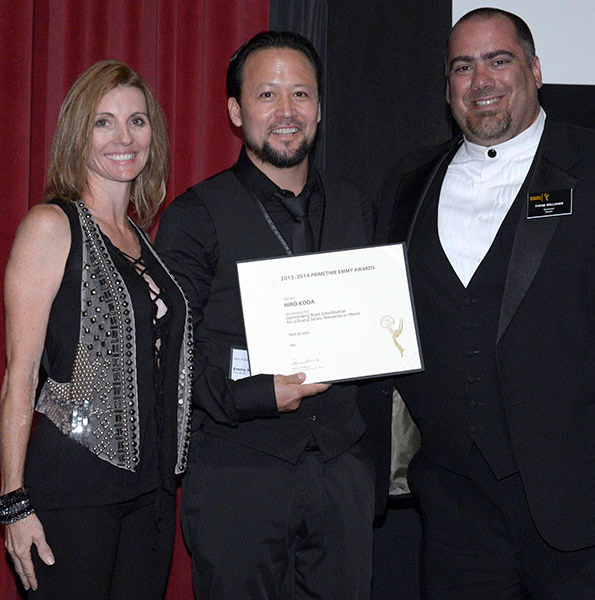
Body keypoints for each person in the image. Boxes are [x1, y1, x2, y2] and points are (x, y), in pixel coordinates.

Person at [382, 8, 595, 599]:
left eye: (499, 60)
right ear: (447, 86)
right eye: (463, 66)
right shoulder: (408, 182)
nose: (481, 80)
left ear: (535, 70)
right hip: (457, 509)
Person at [155, 31, 392, 600]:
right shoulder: (195, 215)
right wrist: (259, 395)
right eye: (267, 95)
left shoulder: (356, 205)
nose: (286, 113)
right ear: (236, 112)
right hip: (240, 475)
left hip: (342, 473)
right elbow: (172, 355)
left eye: (301, 95)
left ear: (320, 108)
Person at [0, 59, 193, 599]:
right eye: (104, 122)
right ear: (77, 134)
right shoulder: (50, 226)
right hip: (71, 493)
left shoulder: (140, 238)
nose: (123, 137)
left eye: (137, 120)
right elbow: (21, 375)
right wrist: (14, 503)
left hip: (152, 495)